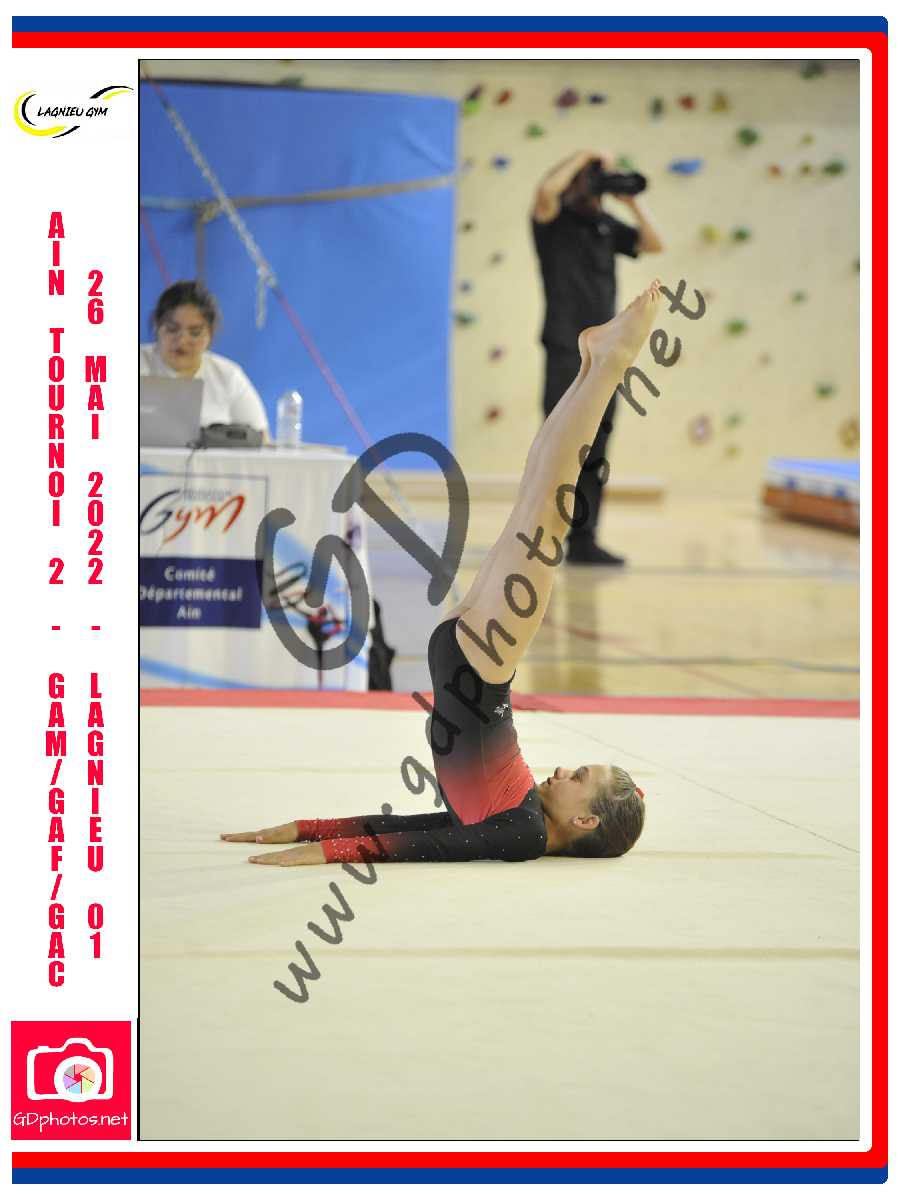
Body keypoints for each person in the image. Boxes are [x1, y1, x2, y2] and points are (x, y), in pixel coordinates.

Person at [221, 281, 661, 867]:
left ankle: (601, 367)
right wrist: (312, 836)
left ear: (586, 821)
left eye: (578, 777)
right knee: (542, 495)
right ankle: (599, 366)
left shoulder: (525, 833)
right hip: (477, 662)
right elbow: (431, 834)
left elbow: (428, 837)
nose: (562, 769)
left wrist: (319, 840)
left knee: (543, 499)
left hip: (474, 662)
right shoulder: (522, 823)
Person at [532, 150, 664, 565]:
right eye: (590, 179)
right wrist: (584, 157)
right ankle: (541, 535)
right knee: (559, 446)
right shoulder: (553, 221)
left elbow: (654, 243)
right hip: (565, 346)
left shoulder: (605, 225)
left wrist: (631, 202)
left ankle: (584, 541)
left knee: (596, 447)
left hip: (607, 353)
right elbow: (546, 191)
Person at [140, 280, 271, 439]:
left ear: (210, 333)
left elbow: (261, 438)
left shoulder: (228, 376)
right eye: (172, 329)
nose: (182, 340)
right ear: (157, 326)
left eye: (195, 332)